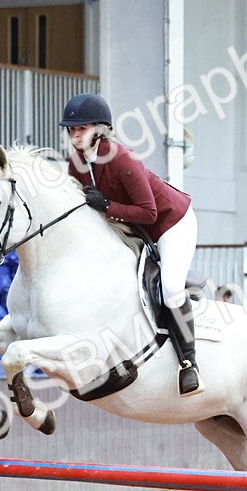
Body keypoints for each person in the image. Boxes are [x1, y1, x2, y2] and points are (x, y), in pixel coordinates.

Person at [59, 92, 204, 397]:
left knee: (172, 287)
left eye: (80, 129)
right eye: (72, 130)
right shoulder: (77, 163)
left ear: (99, 130)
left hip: (170, 223)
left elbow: (149, 211)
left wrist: (108, 206)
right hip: (132, 226)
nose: (74, 136)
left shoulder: (122, 159)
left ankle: (189, 363)